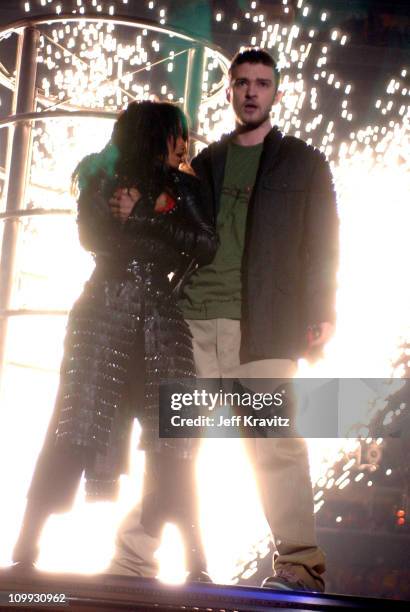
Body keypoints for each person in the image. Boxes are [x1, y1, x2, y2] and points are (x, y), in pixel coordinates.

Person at [111, 48, 339, 593]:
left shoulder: (304, 163)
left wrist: (323, 310)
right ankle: (132, 563)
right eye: (242, 83)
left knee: (275, 446)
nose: (252, 92)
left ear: (276, 93)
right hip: (189, 324)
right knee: (172, 444)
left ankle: (300, 568)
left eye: (262, 83)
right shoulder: (205, 163)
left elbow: (324, 244)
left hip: (260, 327)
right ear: (231, 91)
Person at [11, 100, 217, 580]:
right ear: (152, 135)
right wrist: (150, 219)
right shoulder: (100, 175)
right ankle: (26, 551)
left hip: (162, 322)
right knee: (76, 427)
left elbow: (206, 245)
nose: (183, 145)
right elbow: (94, 238)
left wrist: (143, 214)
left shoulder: (184, 186)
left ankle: (196, 562)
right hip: (105, 313)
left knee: (177, 436)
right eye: (175, 135)